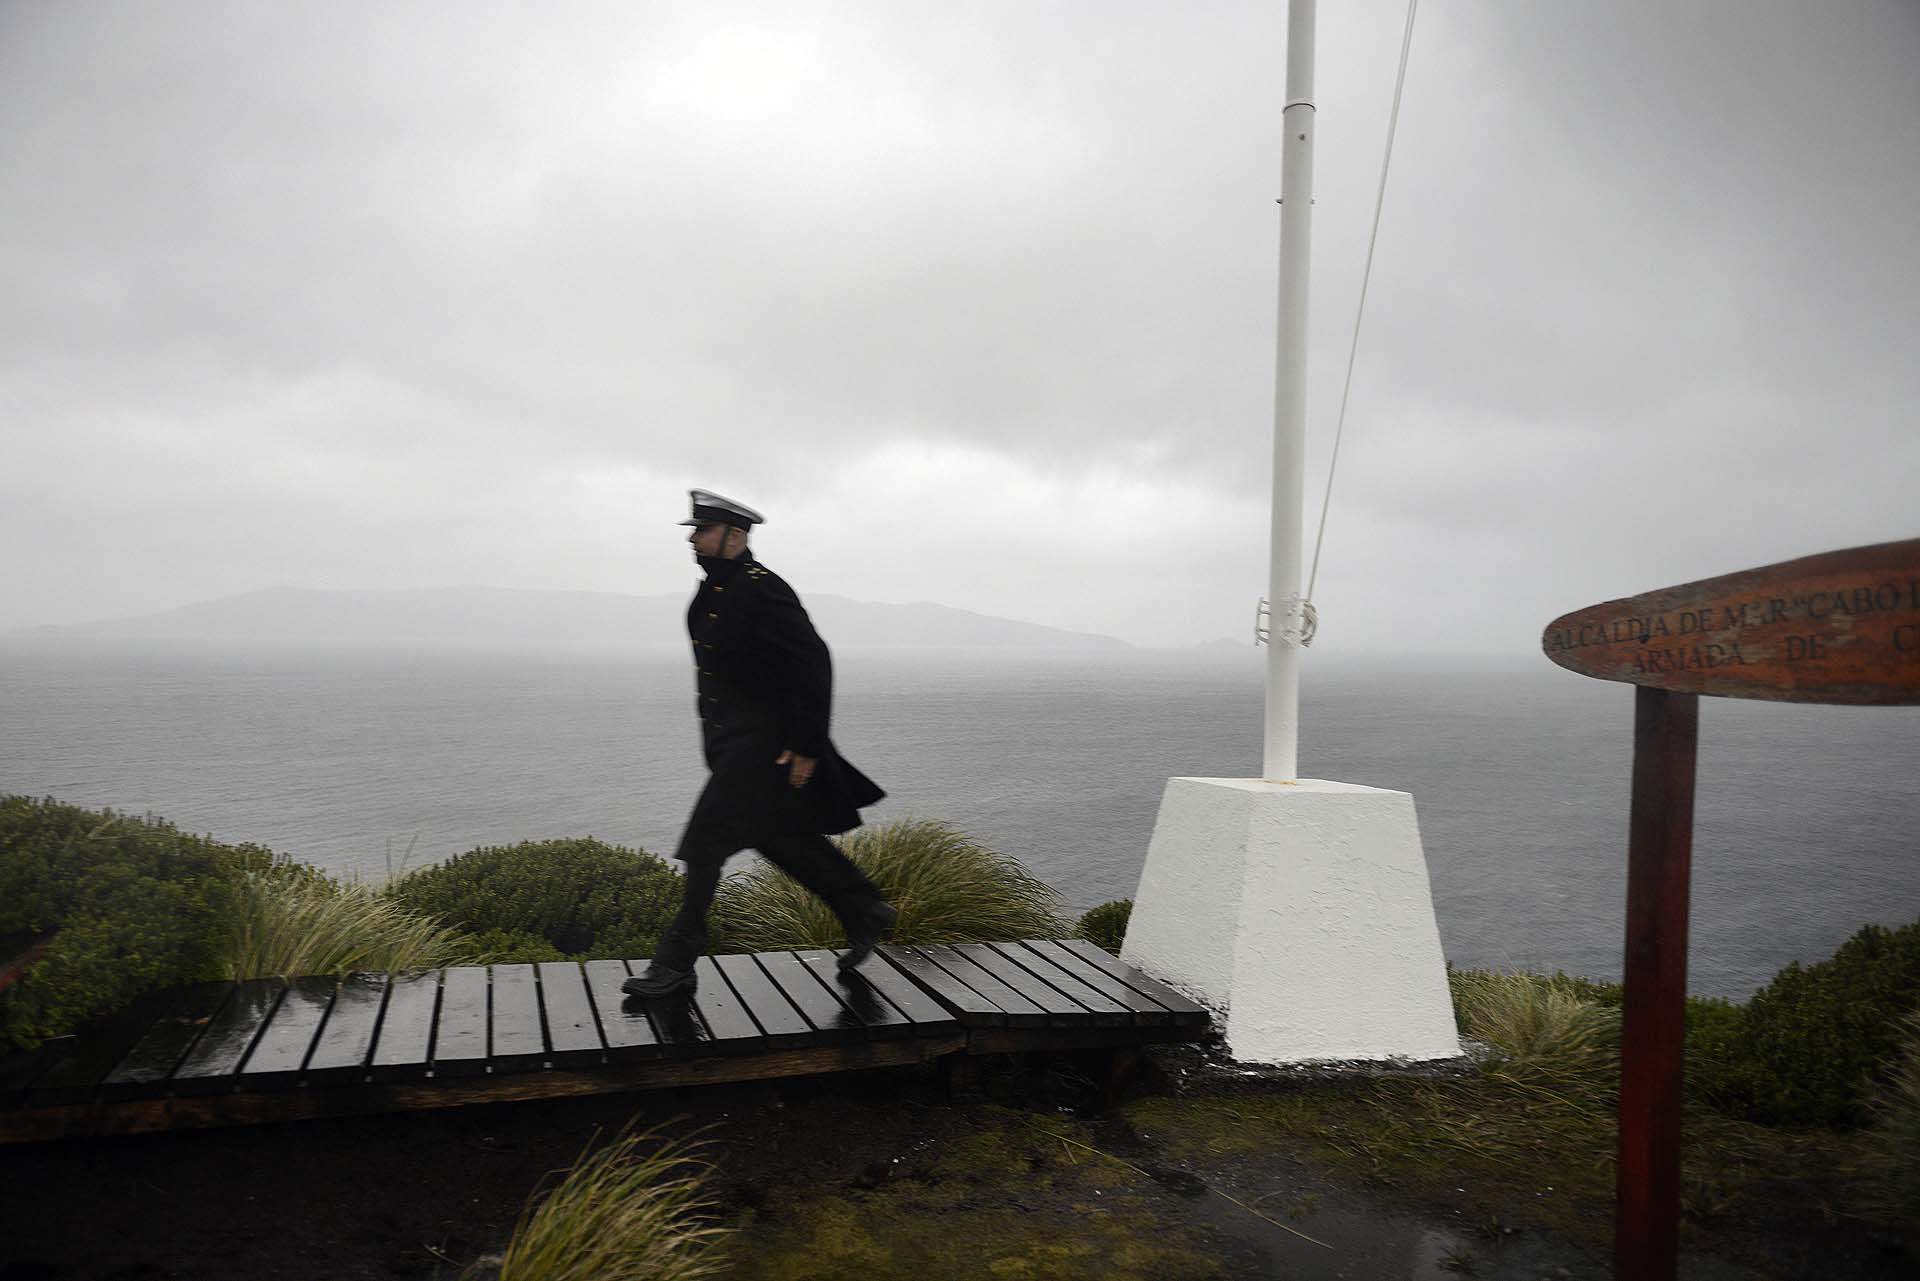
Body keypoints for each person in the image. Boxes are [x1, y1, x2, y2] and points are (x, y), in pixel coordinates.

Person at [624, 489, 897, 998]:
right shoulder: (713, 592)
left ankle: (676, 962)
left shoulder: (763, 588)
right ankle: (865, 907)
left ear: (735, 535)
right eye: (694, 530)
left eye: (702, 531)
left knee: (703, 845)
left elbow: (813, 661)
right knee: (782, 839)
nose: (693, 539)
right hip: (732, 747)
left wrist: (807, 744)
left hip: (766, 746)